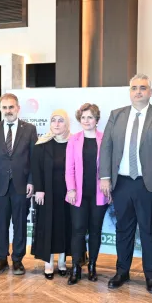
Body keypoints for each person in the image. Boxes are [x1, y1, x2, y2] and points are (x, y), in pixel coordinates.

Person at [99, 73, 152, 293]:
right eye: (134, 88)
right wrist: (105, 177)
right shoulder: (116, 115)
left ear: (150, 92)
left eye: (143, 88)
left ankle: (151, 276)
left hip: (149, 184)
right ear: (130, 91)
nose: (138, 91)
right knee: (123, 229)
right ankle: (122, 271)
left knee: (149, 231)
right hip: (122, 183)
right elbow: (106, 147)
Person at [0, 93, 38, 276]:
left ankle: (17, 260)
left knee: (20, 223)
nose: (8, 111)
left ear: (18, 108)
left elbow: (34, 158)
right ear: (0, 109)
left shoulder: (29, 129)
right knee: (0, 224)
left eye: (11, 107)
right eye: (5, 107)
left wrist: (31, 181)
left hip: (21, 185)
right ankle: (1, 260)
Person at [66, 103, 109, 284]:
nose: (86, 120)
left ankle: (92, 266)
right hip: (78, 195)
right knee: (77, 230)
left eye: (90, 117)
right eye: (83, 117)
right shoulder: (74, 139)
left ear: (96, 120)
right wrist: (71, 189)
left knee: (95, 231)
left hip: (99, 194)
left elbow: (110, 167)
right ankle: (76, 267)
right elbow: (69, 167)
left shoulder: (105, 138)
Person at [32, 110, 73, 279]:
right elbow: (36, 168)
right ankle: (48, 263)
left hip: (67, 194)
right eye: (53, 120)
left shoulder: (73, 143)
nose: (56, 124)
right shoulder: (42, 143)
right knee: (47, 226)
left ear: (67, 124)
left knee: (65, 226)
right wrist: (39, 190)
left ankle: (62, 262)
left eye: (60, 120)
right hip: (46, 194)